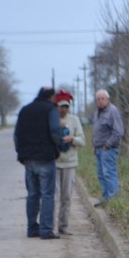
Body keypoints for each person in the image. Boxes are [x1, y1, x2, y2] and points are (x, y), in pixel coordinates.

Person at [14, 87, 63, 239]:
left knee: (32, 194)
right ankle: (46, 230)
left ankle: (32, 228)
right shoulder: (51, 109)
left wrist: (21, 153)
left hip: (29, 159)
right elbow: (55, 131)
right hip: (45, 158)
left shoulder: (25, 110)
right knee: (47, 194)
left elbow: (17, 135)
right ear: (51, 97)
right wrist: (60, 146)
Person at [53, 90, 84, 235]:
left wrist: (72, 139)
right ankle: (52, 226)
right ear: (57, 106)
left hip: (70, 163)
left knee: (66, 197)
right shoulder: (52, 119)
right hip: (54, 162)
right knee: (53, 196)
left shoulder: (74, 120)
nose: (63, 109)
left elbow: (82, 140)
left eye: (66, 106)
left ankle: (63, 225)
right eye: (61, 106)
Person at [91, 89, 125, 206]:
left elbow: (118, 132)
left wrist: (108, 144)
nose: (100, 101)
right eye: (98, 99)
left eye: (102, 99)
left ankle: (113, 199)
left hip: (108, 149)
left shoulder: (113, 111)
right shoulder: (97, 113)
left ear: (108, 99)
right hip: (98, 149)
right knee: (101, 174)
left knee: (109, 173)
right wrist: (94, 146)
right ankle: (105, 197)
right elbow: (96, 131)